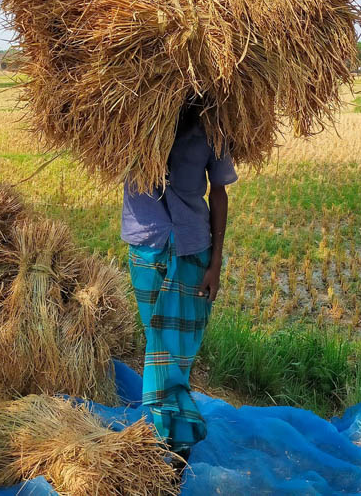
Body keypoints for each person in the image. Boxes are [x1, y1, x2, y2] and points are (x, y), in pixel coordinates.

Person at [121, 100, 237, 462]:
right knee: (157, 342)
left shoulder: (213, 129)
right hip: (147, 247)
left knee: (178, 351)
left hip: (192, 248)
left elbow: (218, 192)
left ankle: (169, 436)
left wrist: (216, 262)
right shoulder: (127, 118)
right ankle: (172, 439)